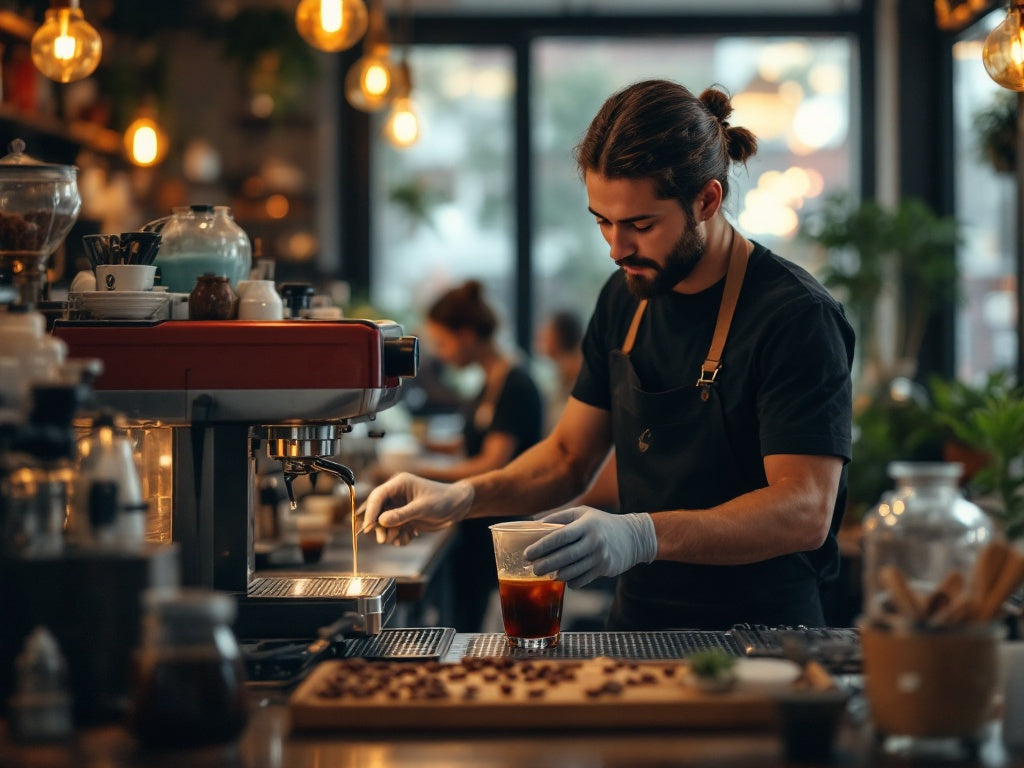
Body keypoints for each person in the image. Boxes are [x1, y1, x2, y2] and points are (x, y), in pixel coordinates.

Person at [362, 80, 854, 631]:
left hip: (762, 641)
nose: (616, 248)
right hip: (638, 626)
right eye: (602, 220)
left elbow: (804, 509)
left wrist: (640, 534)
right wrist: (462, 495)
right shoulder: (625, 298)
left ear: (707, 201)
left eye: (641, 225)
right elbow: (568, 457)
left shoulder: (794, 316)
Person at [402, 279, 544, 630]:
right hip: (481, 519)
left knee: (488, 629)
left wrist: (417, 472)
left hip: (501, 526)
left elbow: (492, 462)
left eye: (442, 342)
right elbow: (477, 440)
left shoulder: (515, 384)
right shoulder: (489, 382)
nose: (441, 353)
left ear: (466, 335)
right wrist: (426, 447)